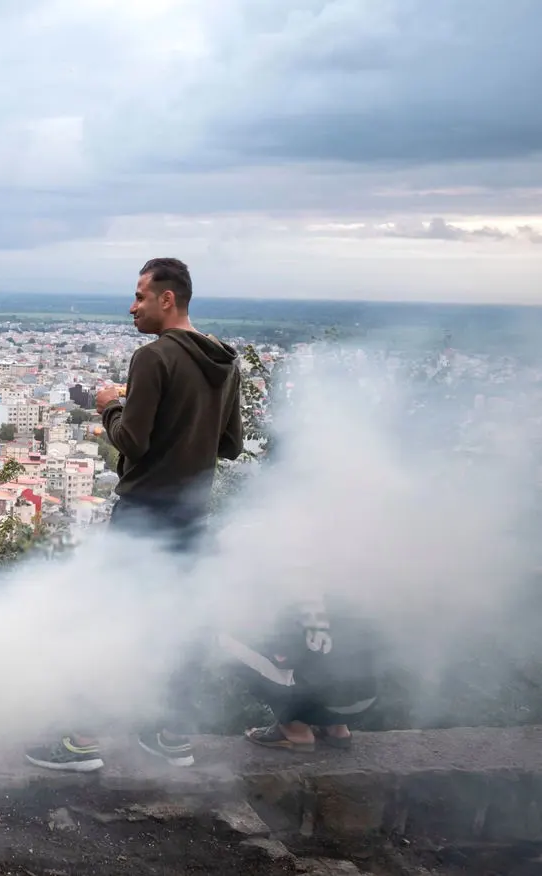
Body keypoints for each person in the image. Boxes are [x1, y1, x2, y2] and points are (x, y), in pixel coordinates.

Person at [26, 257, 243, 772]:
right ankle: (171, 738)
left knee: (110, 620)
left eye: (141, 296)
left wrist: (109, 406)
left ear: (168, 299)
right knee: (176, 624)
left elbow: (132, 442)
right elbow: (231, 445)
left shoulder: (154, 359)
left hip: (146, 513)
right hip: (193, 517)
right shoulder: (224, 360)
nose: (133, 306)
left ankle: (82, 741)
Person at [222, 597, 378, 752]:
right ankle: (337, 729)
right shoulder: (346, 589)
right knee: (328, 662)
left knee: (233, 647)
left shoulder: (283, 599)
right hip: (365, 699)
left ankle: (296, 731)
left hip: (321, 699)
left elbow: (281, 656)